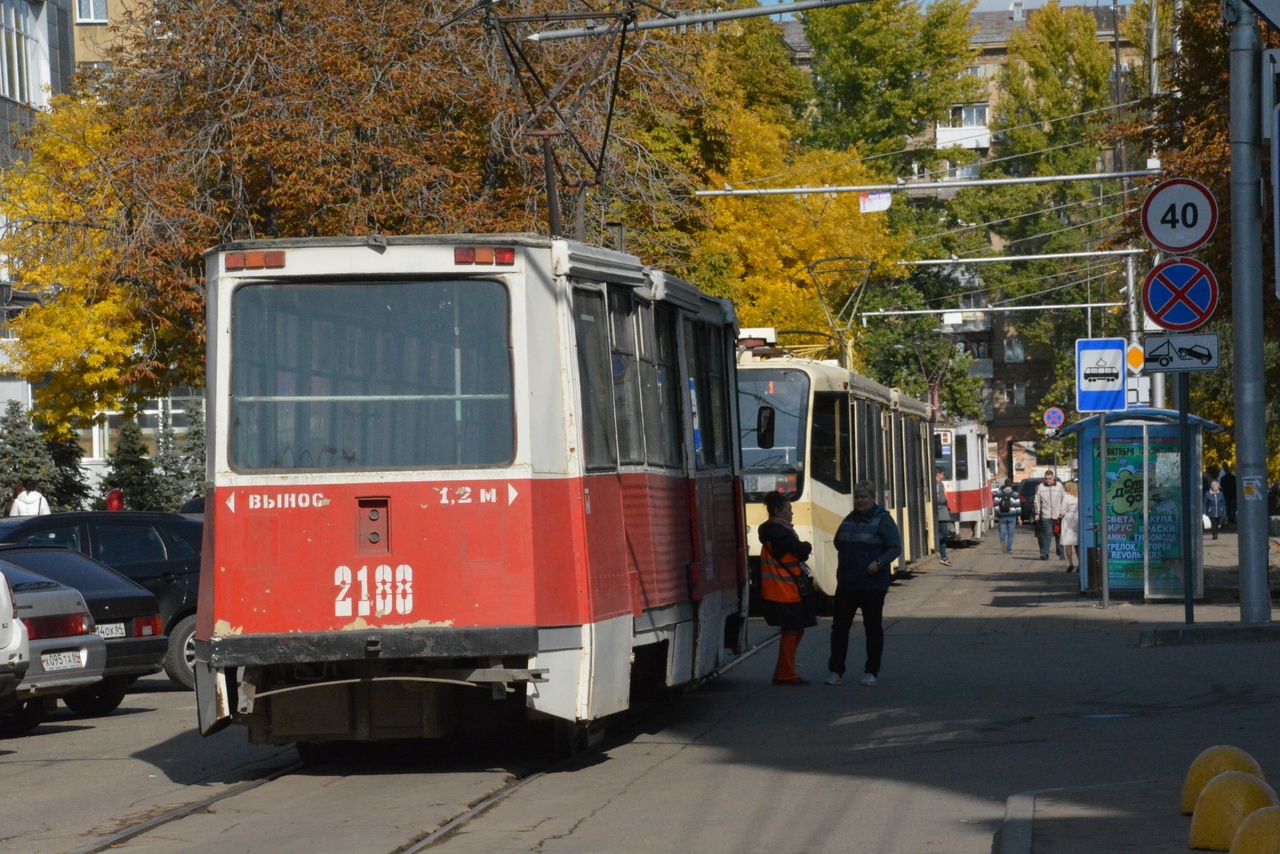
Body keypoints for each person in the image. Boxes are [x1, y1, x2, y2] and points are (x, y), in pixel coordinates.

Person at [826, 481, 902, 687]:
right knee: (840, 629)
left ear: (872, 498)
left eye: (864, 497)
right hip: (847, 583)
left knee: (872, 628)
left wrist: (878, 563)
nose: (860, 501)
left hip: (872, 585)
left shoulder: (883, 520)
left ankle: (871, 672)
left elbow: (895, 548)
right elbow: (838, 542)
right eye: (857, 498)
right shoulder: (849, 519)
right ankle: (835, 671)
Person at [758, 493, 817, 686]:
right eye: (788, 510)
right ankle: (785, 673)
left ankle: (785, 671)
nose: (791, 513)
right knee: (792, 631)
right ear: (777, 512)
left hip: (779, 590)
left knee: (794, 630)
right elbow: (801, 550)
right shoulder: (781, 534)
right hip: (785, 592)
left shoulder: (770, 532)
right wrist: (806, 546)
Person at [1033, 469, 1066, 561]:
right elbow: (1037, 501)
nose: (1048, 480)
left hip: (1058, 515)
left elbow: (1064, 499)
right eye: (1046, 478)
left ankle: (1061, 554)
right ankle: (1045, 554)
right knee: (1047, 535)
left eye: (1049, 478)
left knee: (1058, 535)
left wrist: (1063, 512)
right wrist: (1037, 513)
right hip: (1046, 515)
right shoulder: (1041, 487)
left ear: (1053, 477)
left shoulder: (1059, 486)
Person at [933, 468, 953, 567]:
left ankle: (944, 557)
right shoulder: (936, 485)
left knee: (944, 537)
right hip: (940, 512)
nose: (943, 476)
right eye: (942, 474)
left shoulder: (940, 484)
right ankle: (933, 543)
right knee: (944, 533)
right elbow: (938, 498)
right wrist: (945, 499)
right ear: (938, 474)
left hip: (942, 512)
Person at [995, 477, 1020, 555]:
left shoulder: (998, 493)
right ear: (1011, 485)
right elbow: (1018, 507)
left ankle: (1002, 540)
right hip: (1012, 515)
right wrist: (1019, 518)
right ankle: (1008, 550)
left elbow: (995, 505)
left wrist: (999, 512)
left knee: (1002, 531)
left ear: (1004, 484)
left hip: (1002, 515)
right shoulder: (1015, 494)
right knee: (1010, 534)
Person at [1060, 481, 1080, 572]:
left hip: (1068, 519)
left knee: (1068, 543)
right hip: (1078, 518)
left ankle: (1071, 563)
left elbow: (1062, 511)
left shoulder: (1066, 497)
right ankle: (1080, 563)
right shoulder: (1079, 497)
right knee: (1077, 544)